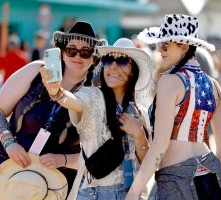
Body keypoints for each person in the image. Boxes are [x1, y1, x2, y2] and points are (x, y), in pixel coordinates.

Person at [0, 21, 106, 200]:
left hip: (52, 184)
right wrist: (9, 143)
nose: (78, 56)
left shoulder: (96, 94)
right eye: (71, 50)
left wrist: (63, 159)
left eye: (86, 52)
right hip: (3, 165)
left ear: (94, 57)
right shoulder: (36, 70)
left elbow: (97, 153)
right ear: (62, 51)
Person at [126, 14, 221, 200]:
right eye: (159, 44)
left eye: (166, 45)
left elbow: (160, 145)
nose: (160, 50)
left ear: (184, 46)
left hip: (175, 179)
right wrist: (213, 181)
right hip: (210, 173)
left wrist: (135, 190)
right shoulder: (213, 84)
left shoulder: (170, 81)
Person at [40, 38, 153, 199]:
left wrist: (139, 134)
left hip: (132, 194)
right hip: (95, 194)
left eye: (121, 61)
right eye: (108, 59)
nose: (113, 66)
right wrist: (56, 92)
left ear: (133, 70)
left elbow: (148, 164)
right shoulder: (91, 96)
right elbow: (71, 100)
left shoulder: (140, 112)